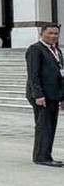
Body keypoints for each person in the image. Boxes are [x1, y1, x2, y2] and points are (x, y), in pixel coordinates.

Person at [25, 23, 64, 167]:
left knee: (50, 126)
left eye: (56, 33)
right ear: (41, 34)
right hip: (42, 95)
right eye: (50, 33)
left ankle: (46, 154)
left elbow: (61, 75)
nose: (53, 36)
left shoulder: (57, 51)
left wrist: (62, 96)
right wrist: (38, 95)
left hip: (54, 94)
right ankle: (41, 157)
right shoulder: (35, 49)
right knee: (44, 125)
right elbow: (33, 75)